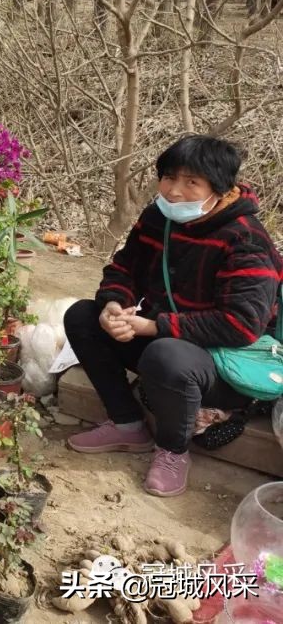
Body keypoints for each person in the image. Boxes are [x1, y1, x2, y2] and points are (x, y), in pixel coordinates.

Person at [64, 136, 283, 497]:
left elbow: (242, 325)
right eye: (168, 177)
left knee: (166, 353)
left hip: (224, 364)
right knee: (82, 317)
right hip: (165, 343)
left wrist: (154, 326)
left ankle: (173, 450)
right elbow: (124, 269)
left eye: (191, 182)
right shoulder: (159, 218)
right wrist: (114, 306)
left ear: (220, 188)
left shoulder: (246, 241)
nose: (174, 191)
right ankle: (127, 423)